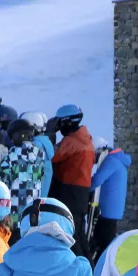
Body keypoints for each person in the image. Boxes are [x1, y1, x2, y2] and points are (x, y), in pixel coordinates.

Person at [49, 105, 94, 257]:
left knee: (70, 233)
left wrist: (49, 133)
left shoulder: (71, 141)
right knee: (78, 233)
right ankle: (88, 266)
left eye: (60, 123)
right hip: (80, 193)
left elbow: (50, 155)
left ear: (67, 122)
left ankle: (80, 265)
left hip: (69, 192)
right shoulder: (85, 138)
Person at [0, 117, 46, 237]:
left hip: (14, 217)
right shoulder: (40, 155)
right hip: (33, 215)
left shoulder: (13, 156)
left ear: (17, 136)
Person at [89, 145, 130, 262]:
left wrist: (84, 189)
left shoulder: (111, 161)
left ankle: (98, 265)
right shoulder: (120, 161)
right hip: (115, 208)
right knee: (106, 238)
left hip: (108, 208)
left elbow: (98, 179)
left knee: (101, 241)